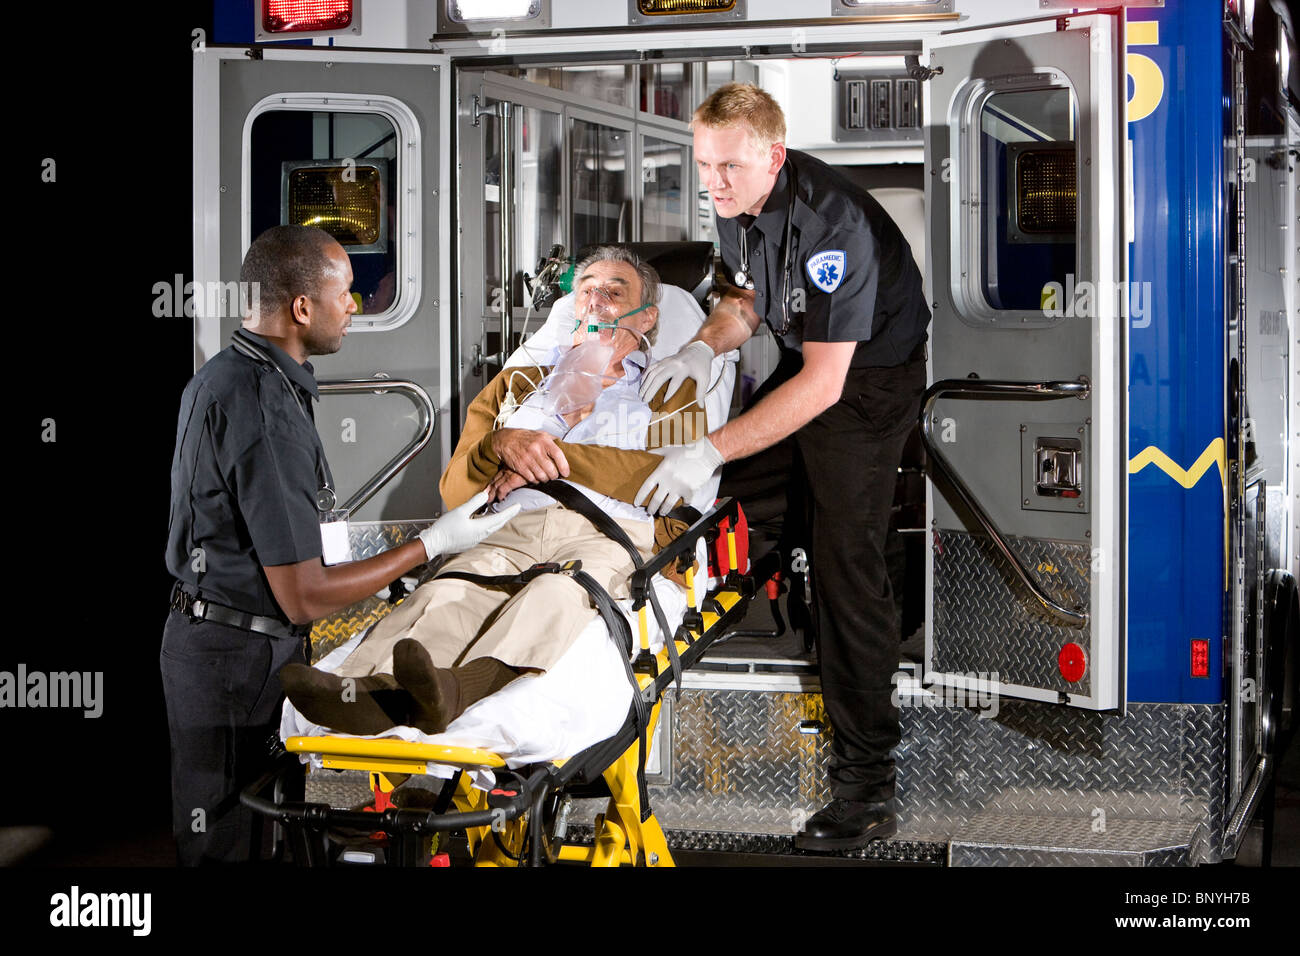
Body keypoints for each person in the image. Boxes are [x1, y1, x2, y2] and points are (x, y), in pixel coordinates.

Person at [635, 83, 931, 849]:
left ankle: (867, 787)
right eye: (703, 166)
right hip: (810, 365)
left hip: (866, 383)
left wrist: (711, 444)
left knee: (844, 562)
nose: (712, 184)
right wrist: (701, 346)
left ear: (773, 153)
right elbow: (745, 303)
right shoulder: (739, 202)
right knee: (727, 501)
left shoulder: (834, 226)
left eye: (727, 167)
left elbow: (826, 385)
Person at [163, 225, 515, 865]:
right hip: (238, 658)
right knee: (231, 847)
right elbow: (302, 597)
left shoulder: (229, 376)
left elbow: (283, 542)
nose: (354, 305)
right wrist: (431, 544)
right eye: (346, 294)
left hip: (229, 642)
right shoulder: (263, 407)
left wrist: (387, 571)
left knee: (264, 836)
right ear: (302, 309)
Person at [281, 246, 703, 736]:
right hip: (508, 526)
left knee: (555, 594)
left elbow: (675, 481)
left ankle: (456, 691)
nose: (598, 303)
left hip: (606, 533)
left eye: (615, 293)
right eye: (588, 291)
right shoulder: (519, 385)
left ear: (647, 316)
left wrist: (543, 461)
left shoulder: (670, 391)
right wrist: (500, 445)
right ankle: (357, 690)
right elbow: (455, 486)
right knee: (449, 591)